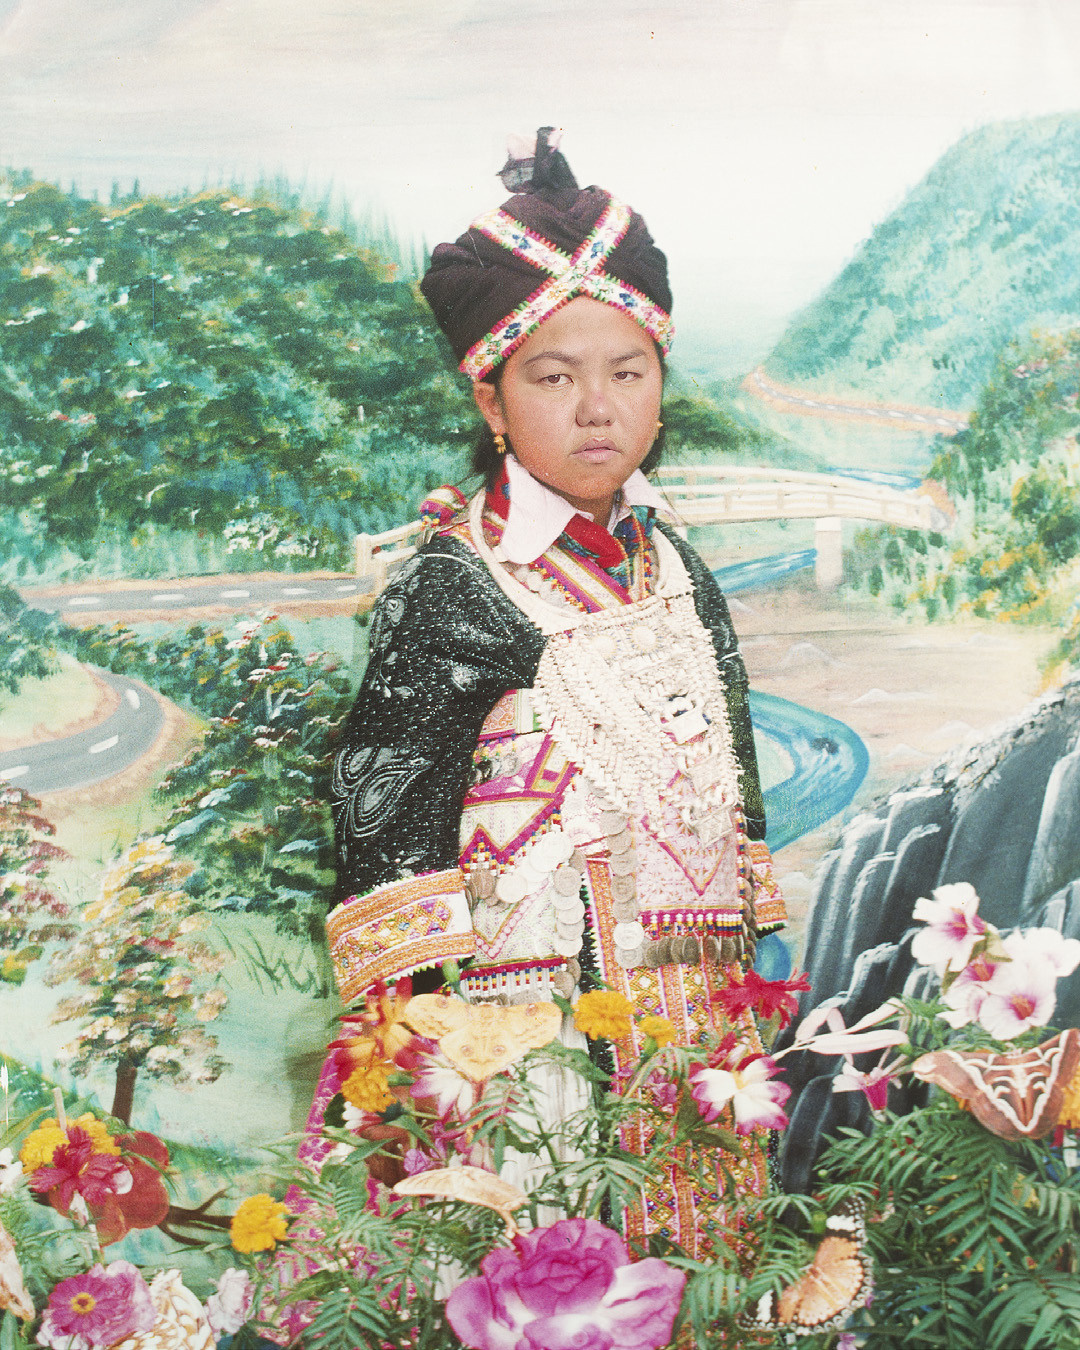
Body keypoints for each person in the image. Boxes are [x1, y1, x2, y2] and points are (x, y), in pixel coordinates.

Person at [312, 129, 786, 1258]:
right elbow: (385, 799)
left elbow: (733, 762)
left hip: (693, 986)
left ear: (661, 386)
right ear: (489, 397)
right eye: (554, 377)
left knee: (710, 1263)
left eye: (627, 373)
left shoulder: (679, 568)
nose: (597, 411)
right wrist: (410, 1026)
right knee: (557, 1242)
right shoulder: (454, 579)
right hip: (532, 1005)